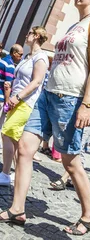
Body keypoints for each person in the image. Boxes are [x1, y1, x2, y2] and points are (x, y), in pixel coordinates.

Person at [0, 0, 90, 234]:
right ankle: (17, 209)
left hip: (70, 97)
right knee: (25, 148)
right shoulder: (74, 25)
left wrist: (87, 104)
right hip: (48, 95)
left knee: (70, 161)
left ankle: (88, 215)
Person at [0, 27, 49, 186]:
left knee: (9, 133)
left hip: (26, 102)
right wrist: (11, 84)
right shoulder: (28, 57)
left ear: (36, 36)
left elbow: (36, 82)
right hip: (16, 100)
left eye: (29, 33)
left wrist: (18, 96)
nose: (26, 35)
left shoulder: (41, 57)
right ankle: (16, 173)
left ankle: (6, 174)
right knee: (14, 139)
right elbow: (21, 79)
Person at [0, 44, 23, 129]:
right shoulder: (10, 65)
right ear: (14, 53)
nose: (21, 57)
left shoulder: (3, 60)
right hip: (1, 98)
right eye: (20, 54)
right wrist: (7, 102)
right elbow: (7, 85)